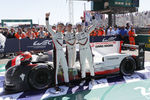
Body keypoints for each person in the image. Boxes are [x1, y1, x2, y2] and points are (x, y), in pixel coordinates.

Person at [45, 12, 71, 91]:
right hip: (56, 52)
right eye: (59, 26)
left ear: (63, 27)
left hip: (62, 52)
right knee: (56, 69)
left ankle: (67, 82)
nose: (60, 27)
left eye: (61, 26)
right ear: (57, 27)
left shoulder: (62, 35)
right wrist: (47, 18)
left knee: (65, 67)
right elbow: (48, 27)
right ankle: (55, 84)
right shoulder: (54, 32)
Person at [76, 16, 98, 86]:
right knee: (82, 66)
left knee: (91, 64)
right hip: (81, 51)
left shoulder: (87, 32)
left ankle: (93, 79)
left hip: (88, 50)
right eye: (78, 26)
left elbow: (94, 25)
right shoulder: (76, 35)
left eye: (80, 26)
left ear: (82, 26)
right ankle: (83, 80)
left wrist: (93, 17)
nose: (79, 27)